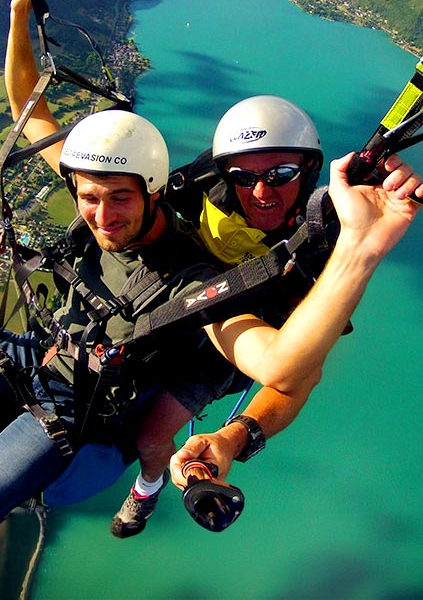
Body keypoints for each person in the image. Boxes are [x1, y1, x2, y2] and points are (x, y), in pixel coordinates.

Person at [0, 0, 423, 578]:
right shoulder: (145, 193)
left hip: (153, 362)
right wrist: (19, 16)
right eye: (90, 197)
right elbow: (27, 109)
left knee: (126, 449)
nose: (101, 214)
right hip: (46, 348)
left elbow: (284, 368)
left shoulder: (208, 273)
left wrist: (357, 245)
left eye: (279, 176)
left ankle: (134, 495)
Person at [109, 95, 349, 538]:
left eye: (281, 175)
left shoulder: (320, 245)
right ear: (226, 173)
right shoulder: (203, 183)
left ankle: (146, 489)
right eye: (244, 176)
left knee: (150, 435)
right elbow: (111, 188)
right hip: (185, 301)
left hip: (237, 342)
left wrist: (233, 438)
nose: (261, 191)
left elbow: (301, 373)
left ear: (308, 173)